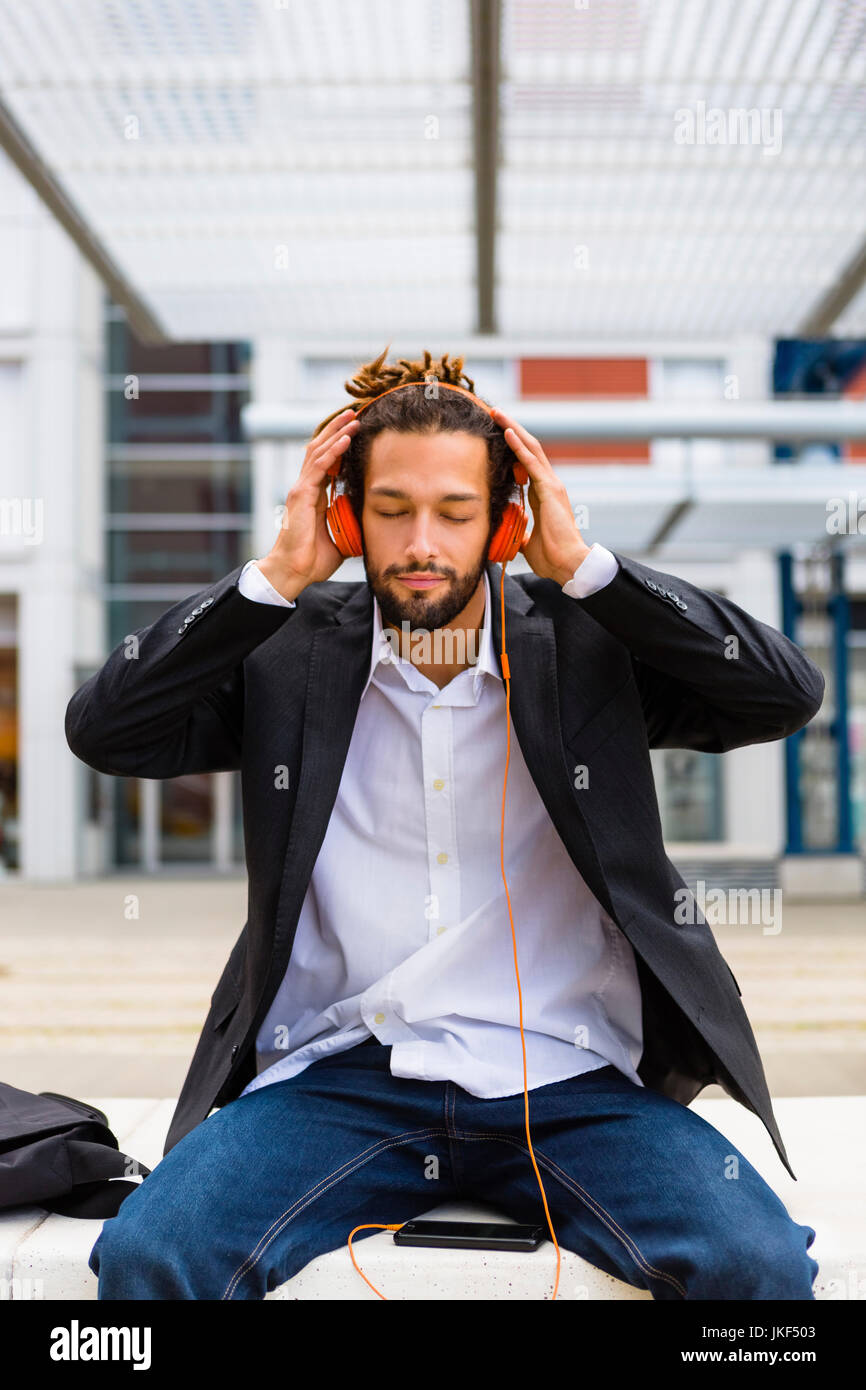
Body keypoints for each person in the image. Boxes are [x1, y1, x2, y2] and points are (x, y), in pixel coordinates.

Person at [66, 349, 822, 1300]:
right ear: (348, 514)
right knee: (150, 1257)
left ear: (504, 520)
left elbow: (785, 692)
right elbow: (106, 728)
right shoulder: (286, 654)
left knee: (758, 1268)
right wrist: (274, 575)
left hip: (571, 1080)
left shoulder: (589, 645)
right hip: (338, 1081)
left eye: (456, 512)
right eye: (391, 509)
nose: (422, 541)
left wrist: (588, 569)